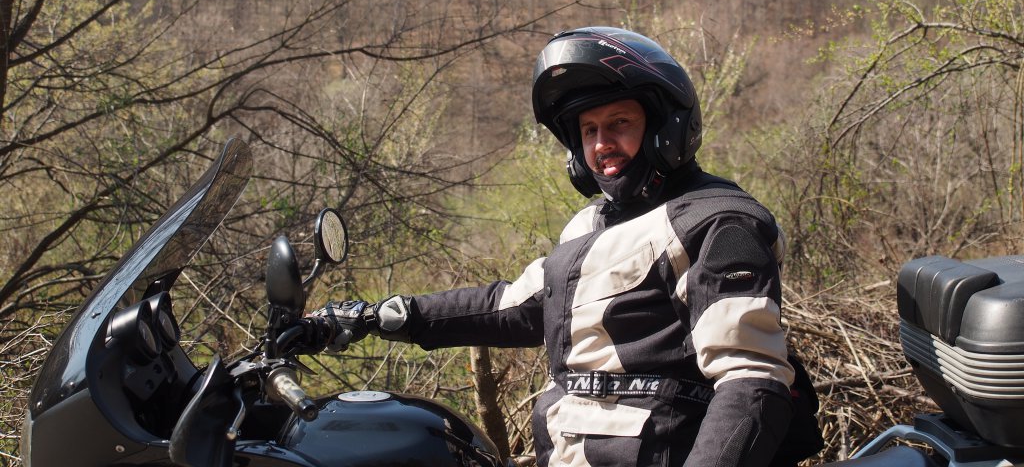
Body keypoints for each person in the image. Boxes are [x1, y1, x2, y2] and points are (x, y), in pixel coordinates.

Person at [313, 26, 816, 467]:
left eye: (619, 123)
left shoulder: (719, 220)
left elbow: (751, 382)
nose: (601, 145)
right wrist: (377, 316)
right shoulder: (591, 227)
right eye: (588, 130)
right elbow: (510, 306)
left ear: (666, 125)